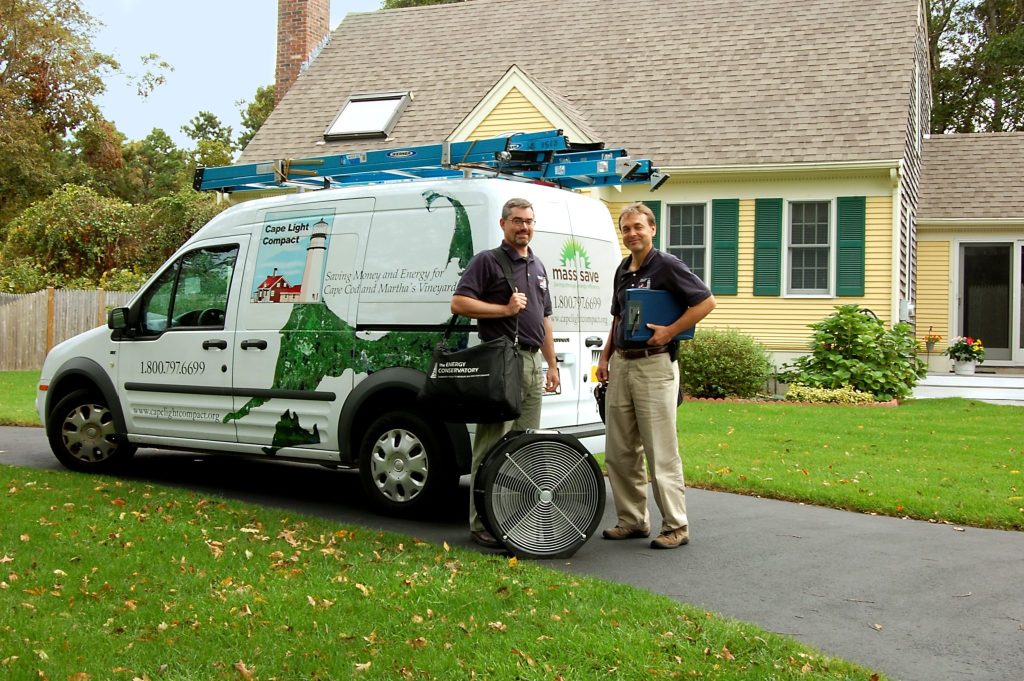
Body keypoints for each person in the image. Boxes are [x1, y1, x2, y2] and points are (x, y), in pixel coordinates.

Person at [596, 203, 716, 549]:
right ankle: (632, 521)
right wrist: (605, 358)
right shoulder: (623, 269)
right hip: (622, 364)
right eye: (626, 228)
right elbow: (618, 318)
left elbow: (706, 302)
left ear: (652, 229)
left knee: (659, 451)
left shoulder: (667, 265)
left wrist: (670, 331)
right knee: (619, 451)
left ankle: (676, 526)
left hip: (655, 365)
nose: (632, 233)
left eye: (638, 227)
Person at [451, 197, 560, 548]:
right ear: (503, 224)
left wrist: (552, 364)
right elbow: (459, 303)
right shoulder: (488, 261)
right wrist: (504, 308)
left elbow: (543, 319)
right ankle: (481, 523)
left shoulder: (539, 266)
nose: (523, 227)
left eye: (528, 221)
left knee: (525, 447)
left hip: (532, 362)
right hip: (502, 364)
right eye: (516, 221)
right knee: (492, 445)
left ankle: (512, 520)